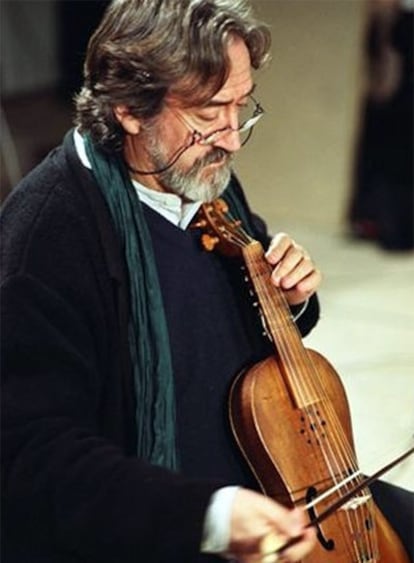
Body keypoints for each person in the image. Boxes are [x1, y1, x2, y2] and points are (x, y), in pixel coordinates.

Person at [0, 1, 411, 563]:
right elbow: (31, 457)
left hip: (281, 480)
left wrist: (288, 299)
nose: (233, 140)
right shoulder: (50, 233)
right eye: (209, 113)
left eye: (241, 108)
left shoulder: (204, 184)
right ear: (128, 109)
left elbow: (229, 326)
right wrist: (213, 516)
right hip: (172, 519)